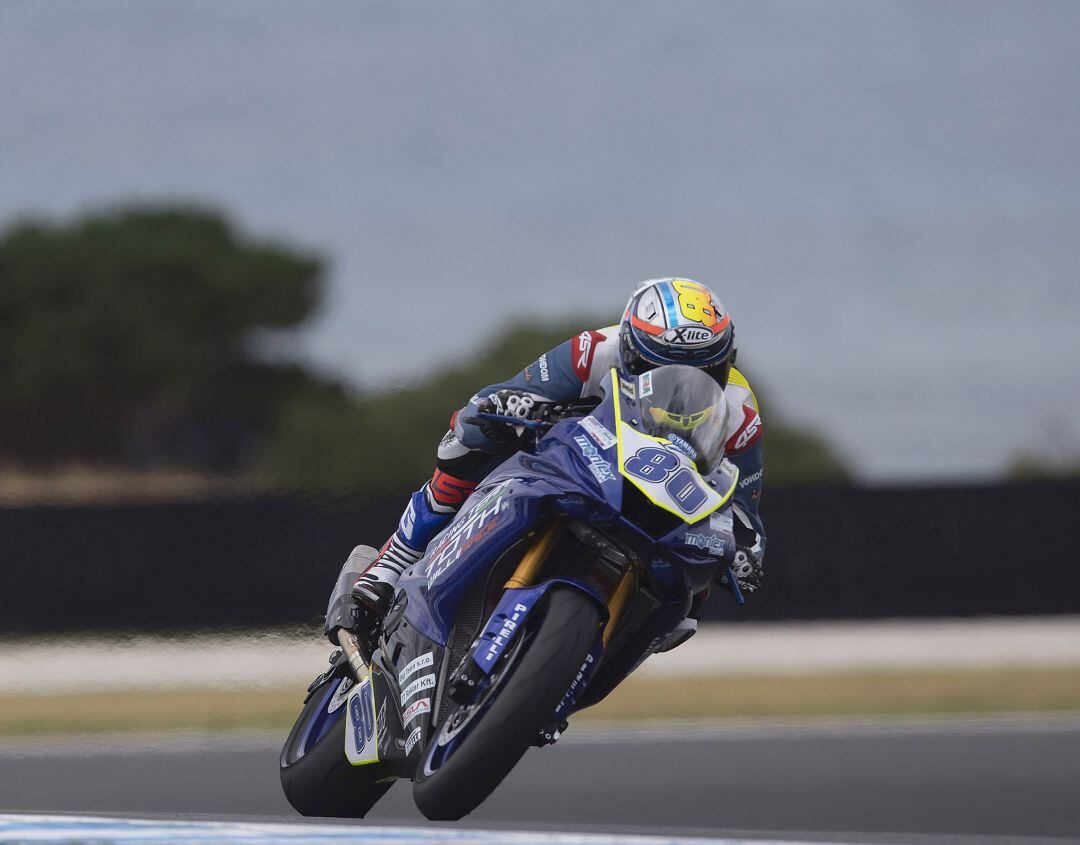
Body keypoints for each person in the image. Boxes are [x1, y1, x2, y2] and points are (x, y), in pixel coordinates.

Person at [327, 278, 765, 649]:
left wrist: (746, 550)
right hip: (581, 468)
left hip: (659, 507)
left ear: (728, 362)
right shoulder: (594, 350)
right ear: (631, 351)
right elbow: (496, 399)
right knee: (466, 441)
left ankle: (591, 661)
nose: (680, 387)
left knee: (691, 604)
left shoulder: (739, 411)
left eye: (705, 371)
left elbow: (744, 510)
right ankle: (396, 557)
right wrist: (506, 408)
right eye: (659, 367)